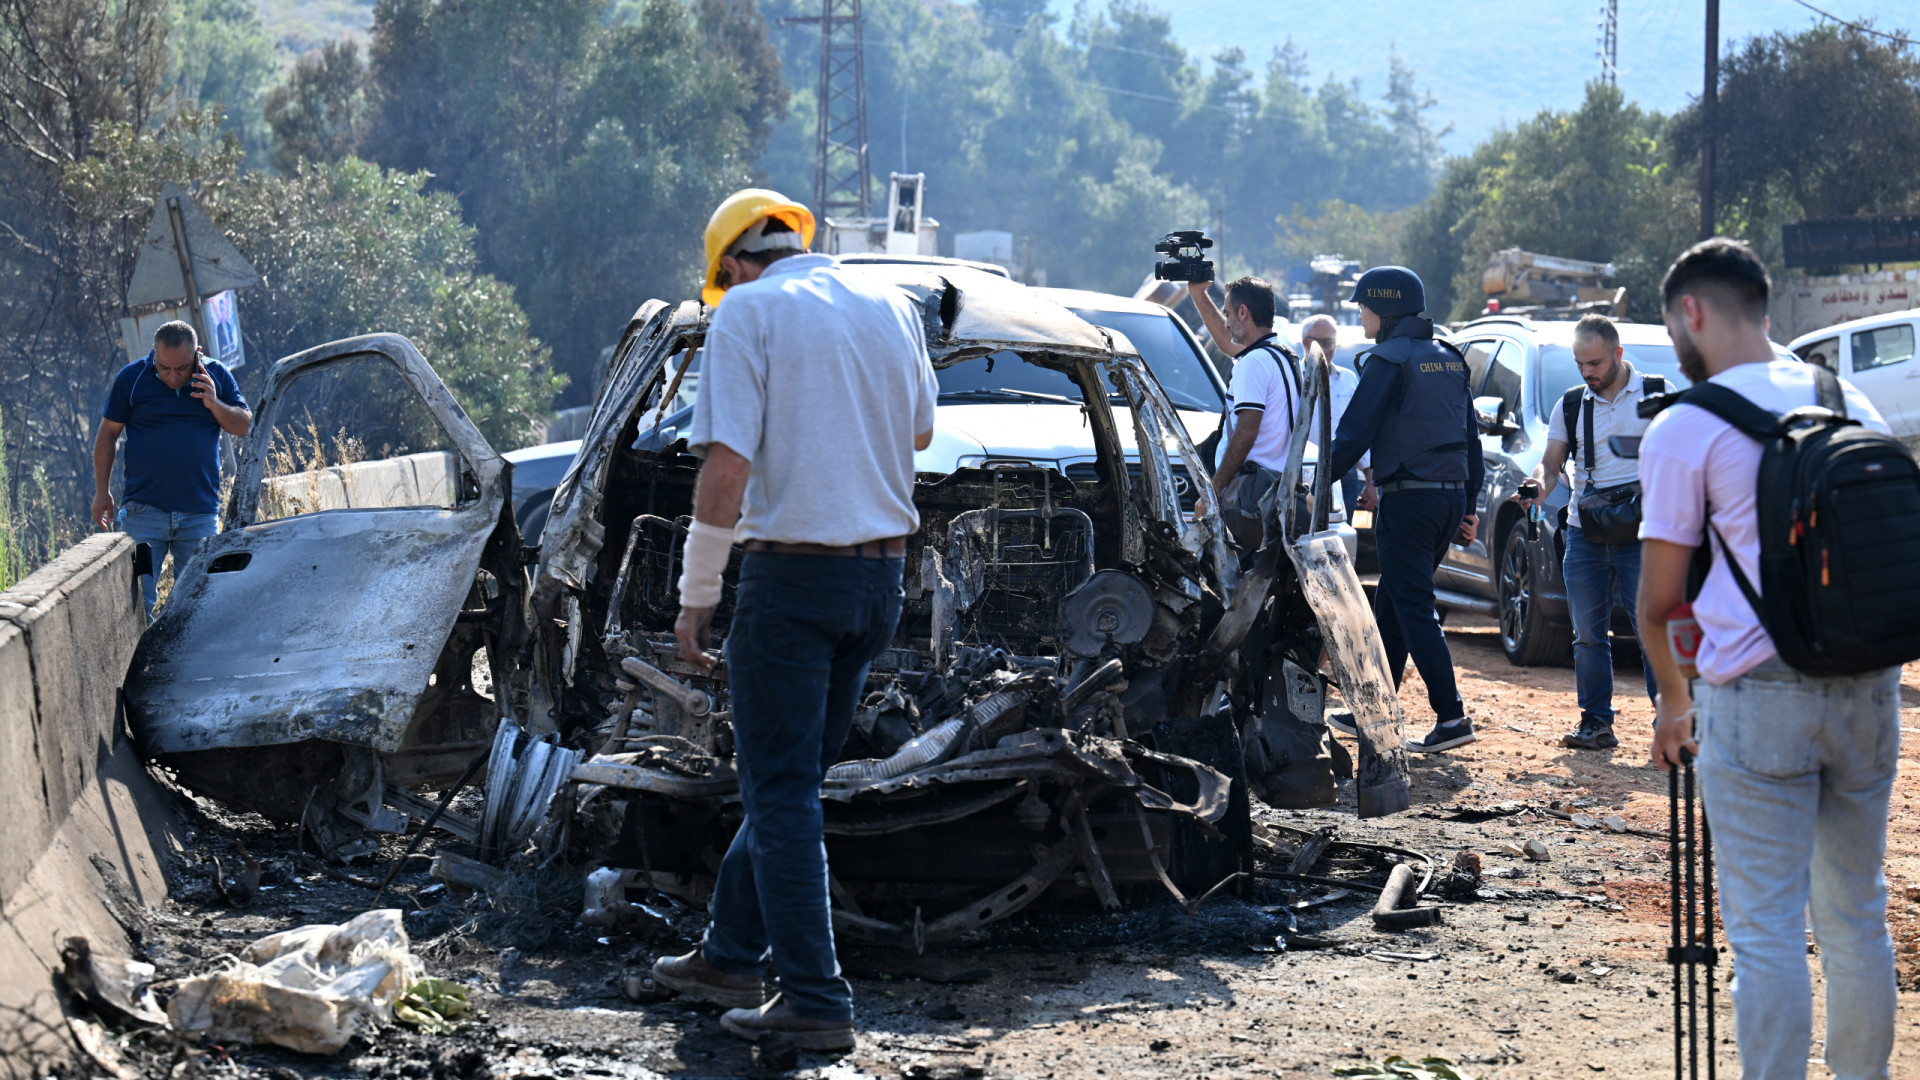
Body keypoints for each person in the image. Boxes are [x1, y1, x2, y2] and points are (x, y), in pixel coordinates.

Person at [650, 189, 937, 1052]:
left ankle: (816, 999)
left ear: (732, 267)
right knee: (791, 788)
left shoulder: (747, 313)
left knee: (777, 793)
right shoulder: (891, 303)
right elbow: (921, 433)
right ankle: (729, 957)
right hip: (880, 583)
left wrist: (697, 593)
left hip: (791, 583)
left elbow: (726, 467)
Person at [1639, 238, 1897, 1080]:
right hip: (1869, 684)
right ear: (1767, 309)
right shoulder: (1851, 399)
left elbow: (1659, 600)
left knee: (1767, 928)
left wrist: (1674, 702)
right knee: (1858, 913)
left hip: (1756, 696)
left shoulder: (1687, 425)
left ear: (1693, 313)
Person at [1325, 266, 1482, 753]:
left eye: (1364, 305)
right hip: (1447, 496)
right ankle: (1373, 711)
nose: (1359, 312)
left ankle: (1452, 718)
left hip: (1410, 501)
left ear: (1385, 309)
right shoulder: (1450, 359)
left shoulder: (1386, 359)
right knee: (1392, 603)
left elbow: (1354, 433)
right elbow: (1470, 441)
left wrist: (1309, 483)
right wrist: (1469, 505)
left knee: (1411, 605)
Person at [1515, 314, 1659, 750]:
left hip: (1643, 533)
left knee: (1653, 631)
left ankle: (1670, 723)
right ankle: (1596, 723)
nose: (1588, 372)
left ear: (1617, 354)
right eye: (1580, 364)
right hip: (1584, 531)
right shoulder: (1572, 403)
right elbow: (1552, 464)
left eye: (1595, 362)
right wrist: (1538, 486)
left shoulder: (1655, 396)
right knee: (1588, 634)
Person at [92, 320, 251, 616]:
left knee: (198, 605)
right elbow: (107, 435)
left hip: (200, 514)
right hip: (140, 512)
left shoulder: (215, 374)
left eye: (182, 368)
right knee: (137, 605)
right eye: (165, 368)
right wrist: (102, 492)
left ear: (197, 354)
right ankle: (144, 663)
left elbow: (245, 426)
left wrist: (214, 403)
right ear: (154, 354)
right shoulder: (132, 378)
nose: (173, 376)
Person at [1186, 276, 1303, 549]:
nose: (1226, 322)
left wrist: (1213, 491)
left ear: (1243, 312)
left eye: (1228, 313)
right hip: (1275, 491)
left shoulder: (1254, 362)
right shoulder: (1281, 354)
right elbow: (1228, 343)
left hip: (1250, 498)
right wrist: (1198, 294)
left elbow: (1246, 431)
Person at [1299, 313, 1373, 516]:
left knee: (1338, 538)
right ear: (1306, 343)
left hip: (1342, 473)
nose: (1331, 348)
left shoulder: (1348, 379)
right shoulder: (1292, 379)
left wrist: (1370, 480)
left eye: (1334, 342)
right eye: (1325, 342)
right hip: (1301, 472)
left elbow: (1360, 430)